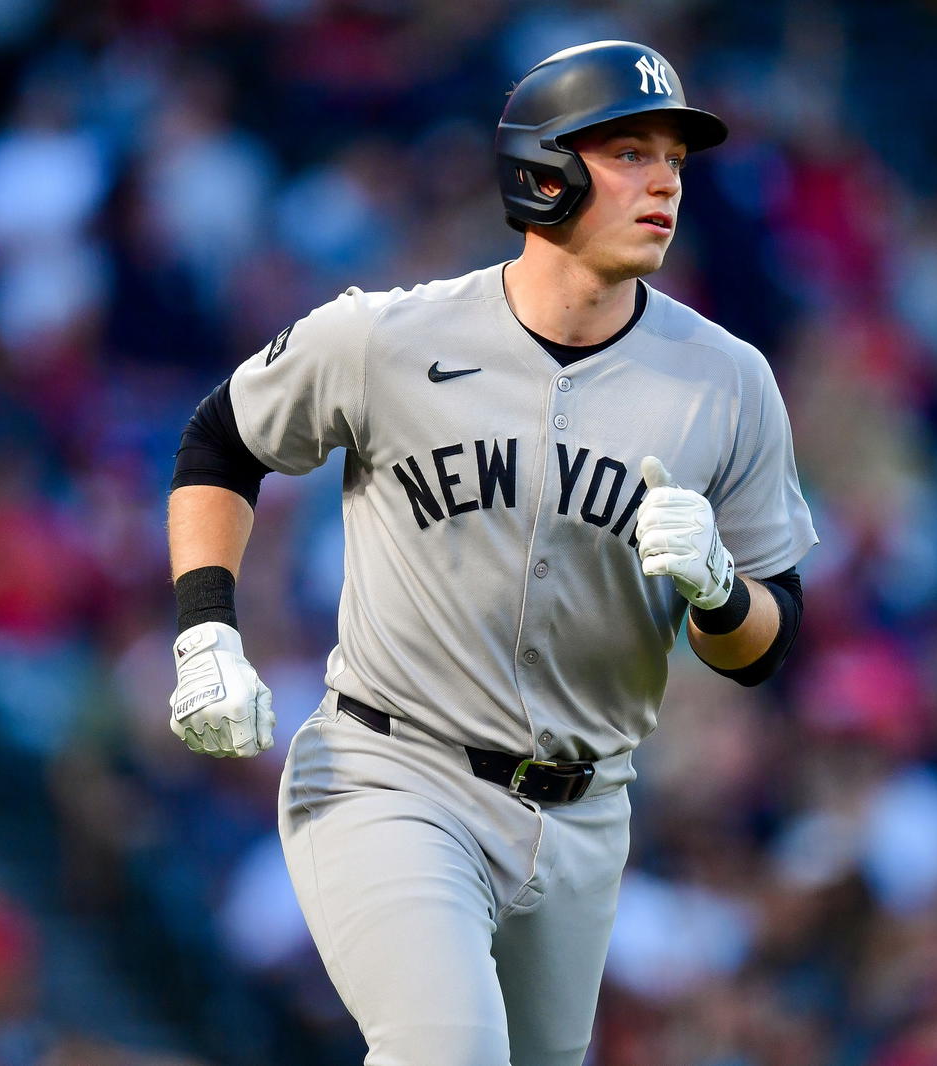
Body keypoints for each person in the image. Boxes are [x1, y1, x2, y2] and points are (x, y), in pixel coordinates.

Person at [164, 40, 817, 1066]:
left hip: (583, 810)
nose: (664, 182)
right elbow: (221, 438)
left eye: (674, 160)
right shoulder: (389, 337)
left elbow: (769, 643)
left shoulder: (727, 381)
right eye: (630, 152)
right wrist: (206, 627)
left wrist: (721, 593)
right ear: (542, 172)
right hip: (393, 769)